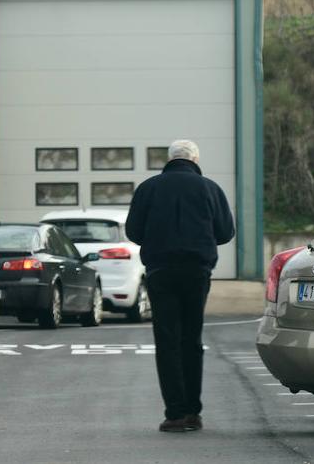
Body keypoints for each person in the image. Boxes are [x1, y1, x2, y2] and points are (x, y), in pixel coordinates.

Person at [125, 139, 235, 433]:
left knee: (167, 341)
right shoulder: (210, 189)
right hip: (197, 271)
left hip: (160, 271)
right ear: (195, 160)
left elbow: (134, 232)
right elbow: (225, 232)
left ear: (170, 159)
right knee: (191, 340)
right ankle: (192, 413)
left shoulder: (148, 188)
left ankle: (174, 413)